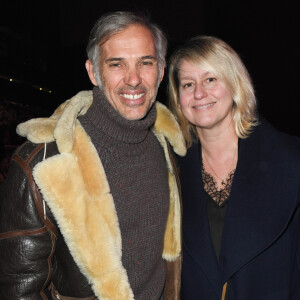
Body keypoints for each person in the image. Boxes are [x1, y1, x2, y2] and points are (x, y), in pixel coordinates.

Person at [0, 11, 186, 300]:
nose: (134, 79)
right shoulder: (42, 161)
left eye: (145, 63)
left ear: (161, 71)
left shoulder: (167, 146)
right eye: (116, 64)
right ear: (93, 72)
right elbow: (18, 288)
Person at [168, 35, 300, 300]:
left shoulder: (290, 160)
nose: (199, 93)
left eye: (210, 79)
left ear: (235, 84)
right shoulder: (168, 168)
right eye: (188, 84)